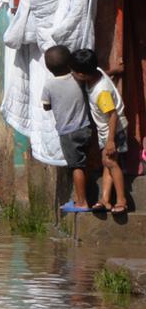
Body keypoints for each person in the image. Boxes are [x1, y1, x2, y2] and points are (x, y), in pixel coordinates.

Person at [72, 48, 129, 214]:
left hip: (113, 131)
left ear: (82, 74)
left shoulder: (101, 92)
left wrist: (110, 141)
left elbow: (112, 115)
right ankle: (104, 200)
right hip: (107, 131)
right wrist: (115, 71)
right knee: (107, 163)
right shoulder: (95, 73)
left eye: (74, 72)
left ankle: (121, 200)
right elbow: (103, 72)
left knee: (110, 162)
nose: (73, 74)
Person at [40, 43, 93, 211]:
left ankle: (82, 202)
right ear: (70, 63)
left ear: (48, 68)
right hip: (86, 127)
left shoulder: (49, 85)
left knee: (76, 166)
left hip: (68, 133)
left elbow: (46, 106)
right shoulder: (77, 78)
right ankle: (83, 197)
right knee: (84, 163)